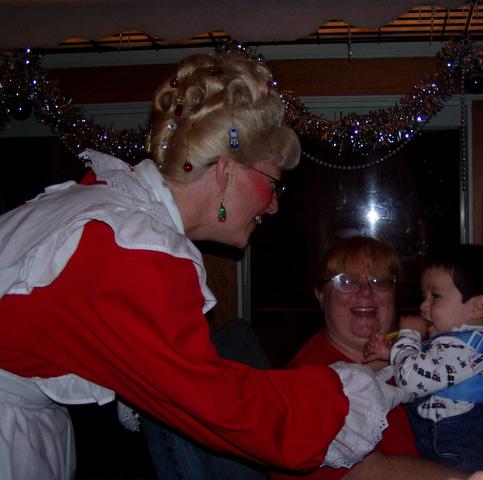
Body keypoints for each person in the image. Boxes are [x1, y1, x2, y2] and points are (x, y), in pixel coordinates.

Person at [0, 52, 408, 480]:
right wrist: (347, 396)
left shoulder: (110, 208)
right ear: (226, 171)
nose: (273, 205)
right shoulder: (133, 246)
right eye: (272, 183)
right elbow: (224, 407)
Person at [270, 236, 483, 480]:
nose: (365, 292)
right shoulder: (309, 377)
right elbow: (363, 472)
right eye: (347, 281)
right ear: (320, 294)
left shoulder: (426, 346)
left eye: (380, 281)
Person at [364, 243, 483, 472]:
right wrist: (391, 352)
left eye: (435, 296)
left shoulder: (463, 347)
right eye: (424, 296)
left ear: (478, 307)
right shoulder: (469, 344)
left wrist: (409, 335)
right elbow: (432, 369)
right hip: (455, 448)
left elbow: (411, 380)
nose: (424, 306)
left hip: (463, 453)